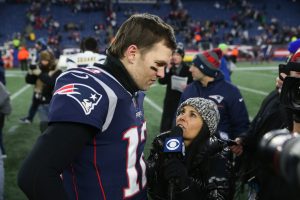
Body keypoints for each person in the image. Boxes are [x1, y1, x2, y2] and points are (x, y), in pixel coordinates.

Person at [18, 13, 177, 200]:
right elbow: (35, 176)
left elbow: (119, 161)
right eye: (158, 64)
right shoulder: (95, 89)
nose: (161, 73)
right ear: (132, 53)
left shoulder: (132, 89)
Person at [147, 97, 232, 200]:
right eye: (182, 112)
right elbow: (148, 184)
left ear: (205, 126)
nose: (182, 117)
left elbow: (218, 197)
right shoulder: (162, 142)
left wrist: (185, 183)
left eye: (192, 115)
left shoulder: (218, 153)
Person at [179, 48, 249, 141]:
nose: (190, 69)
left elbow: (241, 124)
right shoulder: (189, 90)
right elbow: (178, 120)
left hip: (220, 151)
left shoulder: (231, 91)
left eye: (194, 66)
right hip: (191, 151)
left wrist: (239, 141)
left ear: (205, 69)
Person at [158, 42, 193, 132]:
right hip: (169, 100)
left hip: (182, 100)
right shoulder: (169, 67)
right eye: (173, 54)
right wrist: (167, 69)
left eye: (177, 54)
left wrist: (188, 87)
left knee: (179, 120)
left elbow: (193, 84)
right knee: (166, 120)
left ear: (182, 56)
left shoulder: (188, 69)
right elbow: (161, 81)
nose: (174, 56)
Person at [24, 50, 62, 132]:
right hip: (39, 96)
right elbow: (29, 81)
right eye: (42, 60)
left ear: (50, 60)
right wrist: (30, 72)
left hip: (50, 99)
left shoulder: (57, 70)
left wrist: (40, 74)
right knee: (44, 123)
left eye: (46, 60)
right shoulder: (40, 67)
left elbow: (52, 82)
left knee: (51, 122)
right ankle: (29, 118)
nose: (43, 62)